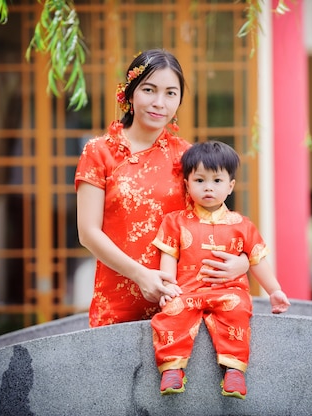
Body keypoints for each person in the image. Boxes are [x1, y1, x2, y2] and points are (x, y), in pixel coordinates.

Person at [75, 49, 249, 327]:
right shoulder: (99, 152)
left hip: (181, 303)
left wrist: (242, 261)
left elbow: (217, 221)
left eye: (170, 93)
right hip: (117, 304)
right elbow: (88, 232)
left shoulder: (189, 157)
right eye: (149, 89)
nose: (159, 102)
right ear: (130, 93)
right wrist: (141, 275)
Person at [151, 141, 291, 399]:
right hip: (187, 291)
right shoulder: (175, 222)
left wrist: (275, 290)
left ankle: (234, 372)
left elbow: (257, 260)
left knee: (238, 310)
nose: (208, 187)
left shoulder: (243, 225)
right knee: (171, 311)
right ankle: (172, 368)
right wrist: (167, 287)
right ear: (187, 185)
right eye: (200, 180)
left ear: (230, 186)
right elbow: (168, 256)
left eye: (217, 181)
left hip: (228, 292)